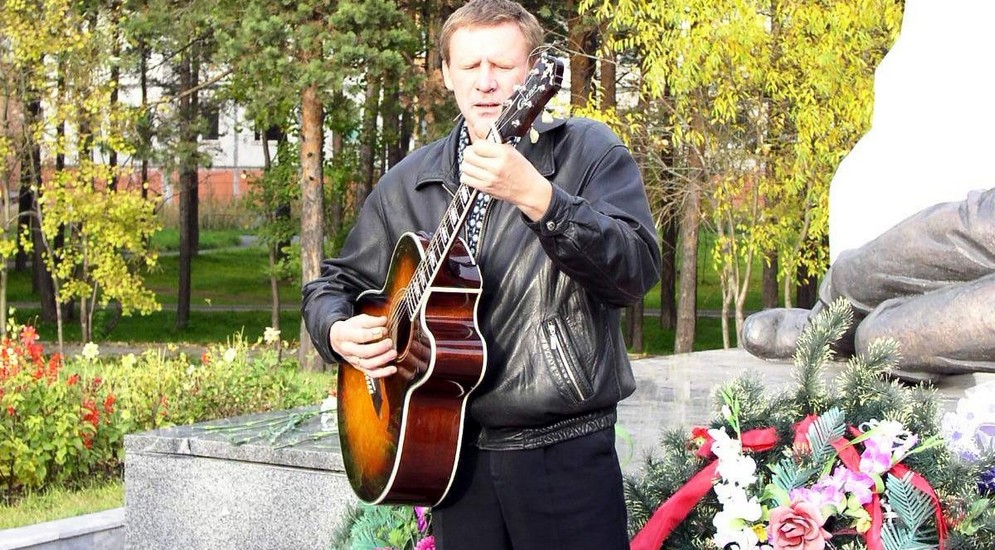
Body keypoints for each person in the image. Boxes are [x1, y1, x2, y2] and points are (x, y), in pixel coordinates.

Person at [301, 1, 661, 548]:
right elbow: (333, 286)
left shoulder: (589, 152)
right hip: (448, 452)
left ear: (533, 70)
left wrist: (541, 200)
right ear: (447, 73)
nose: (486, 82)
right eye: (470, 66)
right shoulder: (409, 183)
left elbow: (634, 272)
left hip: (563, 452)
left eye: (503, 65)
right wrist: (336, 329)